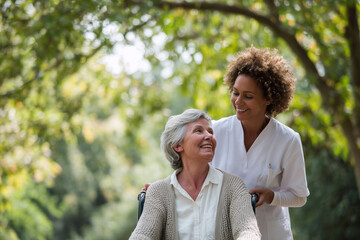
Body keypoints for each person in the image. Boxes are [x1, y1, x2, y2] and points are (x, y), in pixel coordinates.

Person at [211, 46, 310, 240]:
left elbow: (299, 196)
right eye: (235, 92)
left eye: (248, 96)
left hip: (271, 235)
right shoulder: (215, 131)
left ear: (268, 99)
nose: (238, 102)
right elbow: (193, 176)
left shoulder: (288, 140)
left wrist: (272, 197)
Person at [130, 108, 261, 240]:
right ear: (177, 146)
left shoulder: (233, 186)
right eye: (198, 130)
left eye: (210, 131)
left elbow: (248, 231)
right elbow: (143, 234)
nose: (209, 136)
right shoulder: (158, 192)